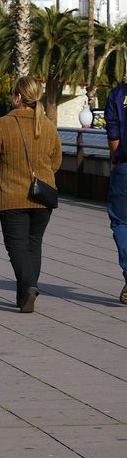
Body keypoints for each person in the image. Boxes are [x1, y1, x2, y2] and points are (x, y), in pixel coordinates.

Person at [0, 76, 62, 313]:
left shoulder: (3, 124)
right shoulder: (48, 125)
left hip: (12, 196)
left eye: (13, 93)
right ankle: (24, 296)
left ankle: (29, 287)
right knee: (33, 245)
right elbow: (56, 161)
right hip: (43, 197)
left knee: (16, 246)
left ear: (19, 97)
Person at [104, 79, 127, 305]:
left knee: (122, 222)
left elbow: (114, 137)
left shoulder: (118, 93)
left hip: (125, 168)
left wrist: (117, 162)